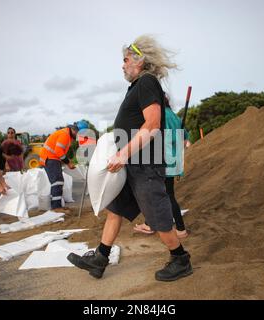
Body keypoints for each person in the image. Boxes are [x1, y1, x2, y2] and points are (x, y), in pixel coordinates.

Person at [67, 35, 193, 282]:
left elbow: (153, 123)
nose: (122, 65)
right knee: (115, 210)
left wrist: (124, 153)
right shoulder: (137, 86)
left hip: (145, 164)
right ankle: (100, 258)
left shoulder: (147, 82)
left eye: (125, 60)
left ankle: (180, 259)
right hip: (132, 164)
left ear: (139, 59)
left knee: (157, 215)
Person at [134, 95, 191, 238]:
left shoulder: (159, 115)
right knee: (164, 194)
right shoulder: (174, 116)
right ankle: (175, 227)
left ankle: (178, 228)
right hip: (172, 161)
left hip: (162, 161)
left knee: (160, 194)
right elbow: (185, 141)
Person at [39, 121, 88, 214]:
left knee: (58, 181)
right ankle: (56, 207)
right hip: (50, 158)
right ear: (74, 130)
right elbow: (58, 151)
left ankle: (57, 206)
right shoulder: (65, 135)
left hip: (51, 158)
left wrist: (66, 161)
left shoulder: (67, 134)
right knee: (57, 181)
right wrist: (68, 163)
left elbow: (60, 152)